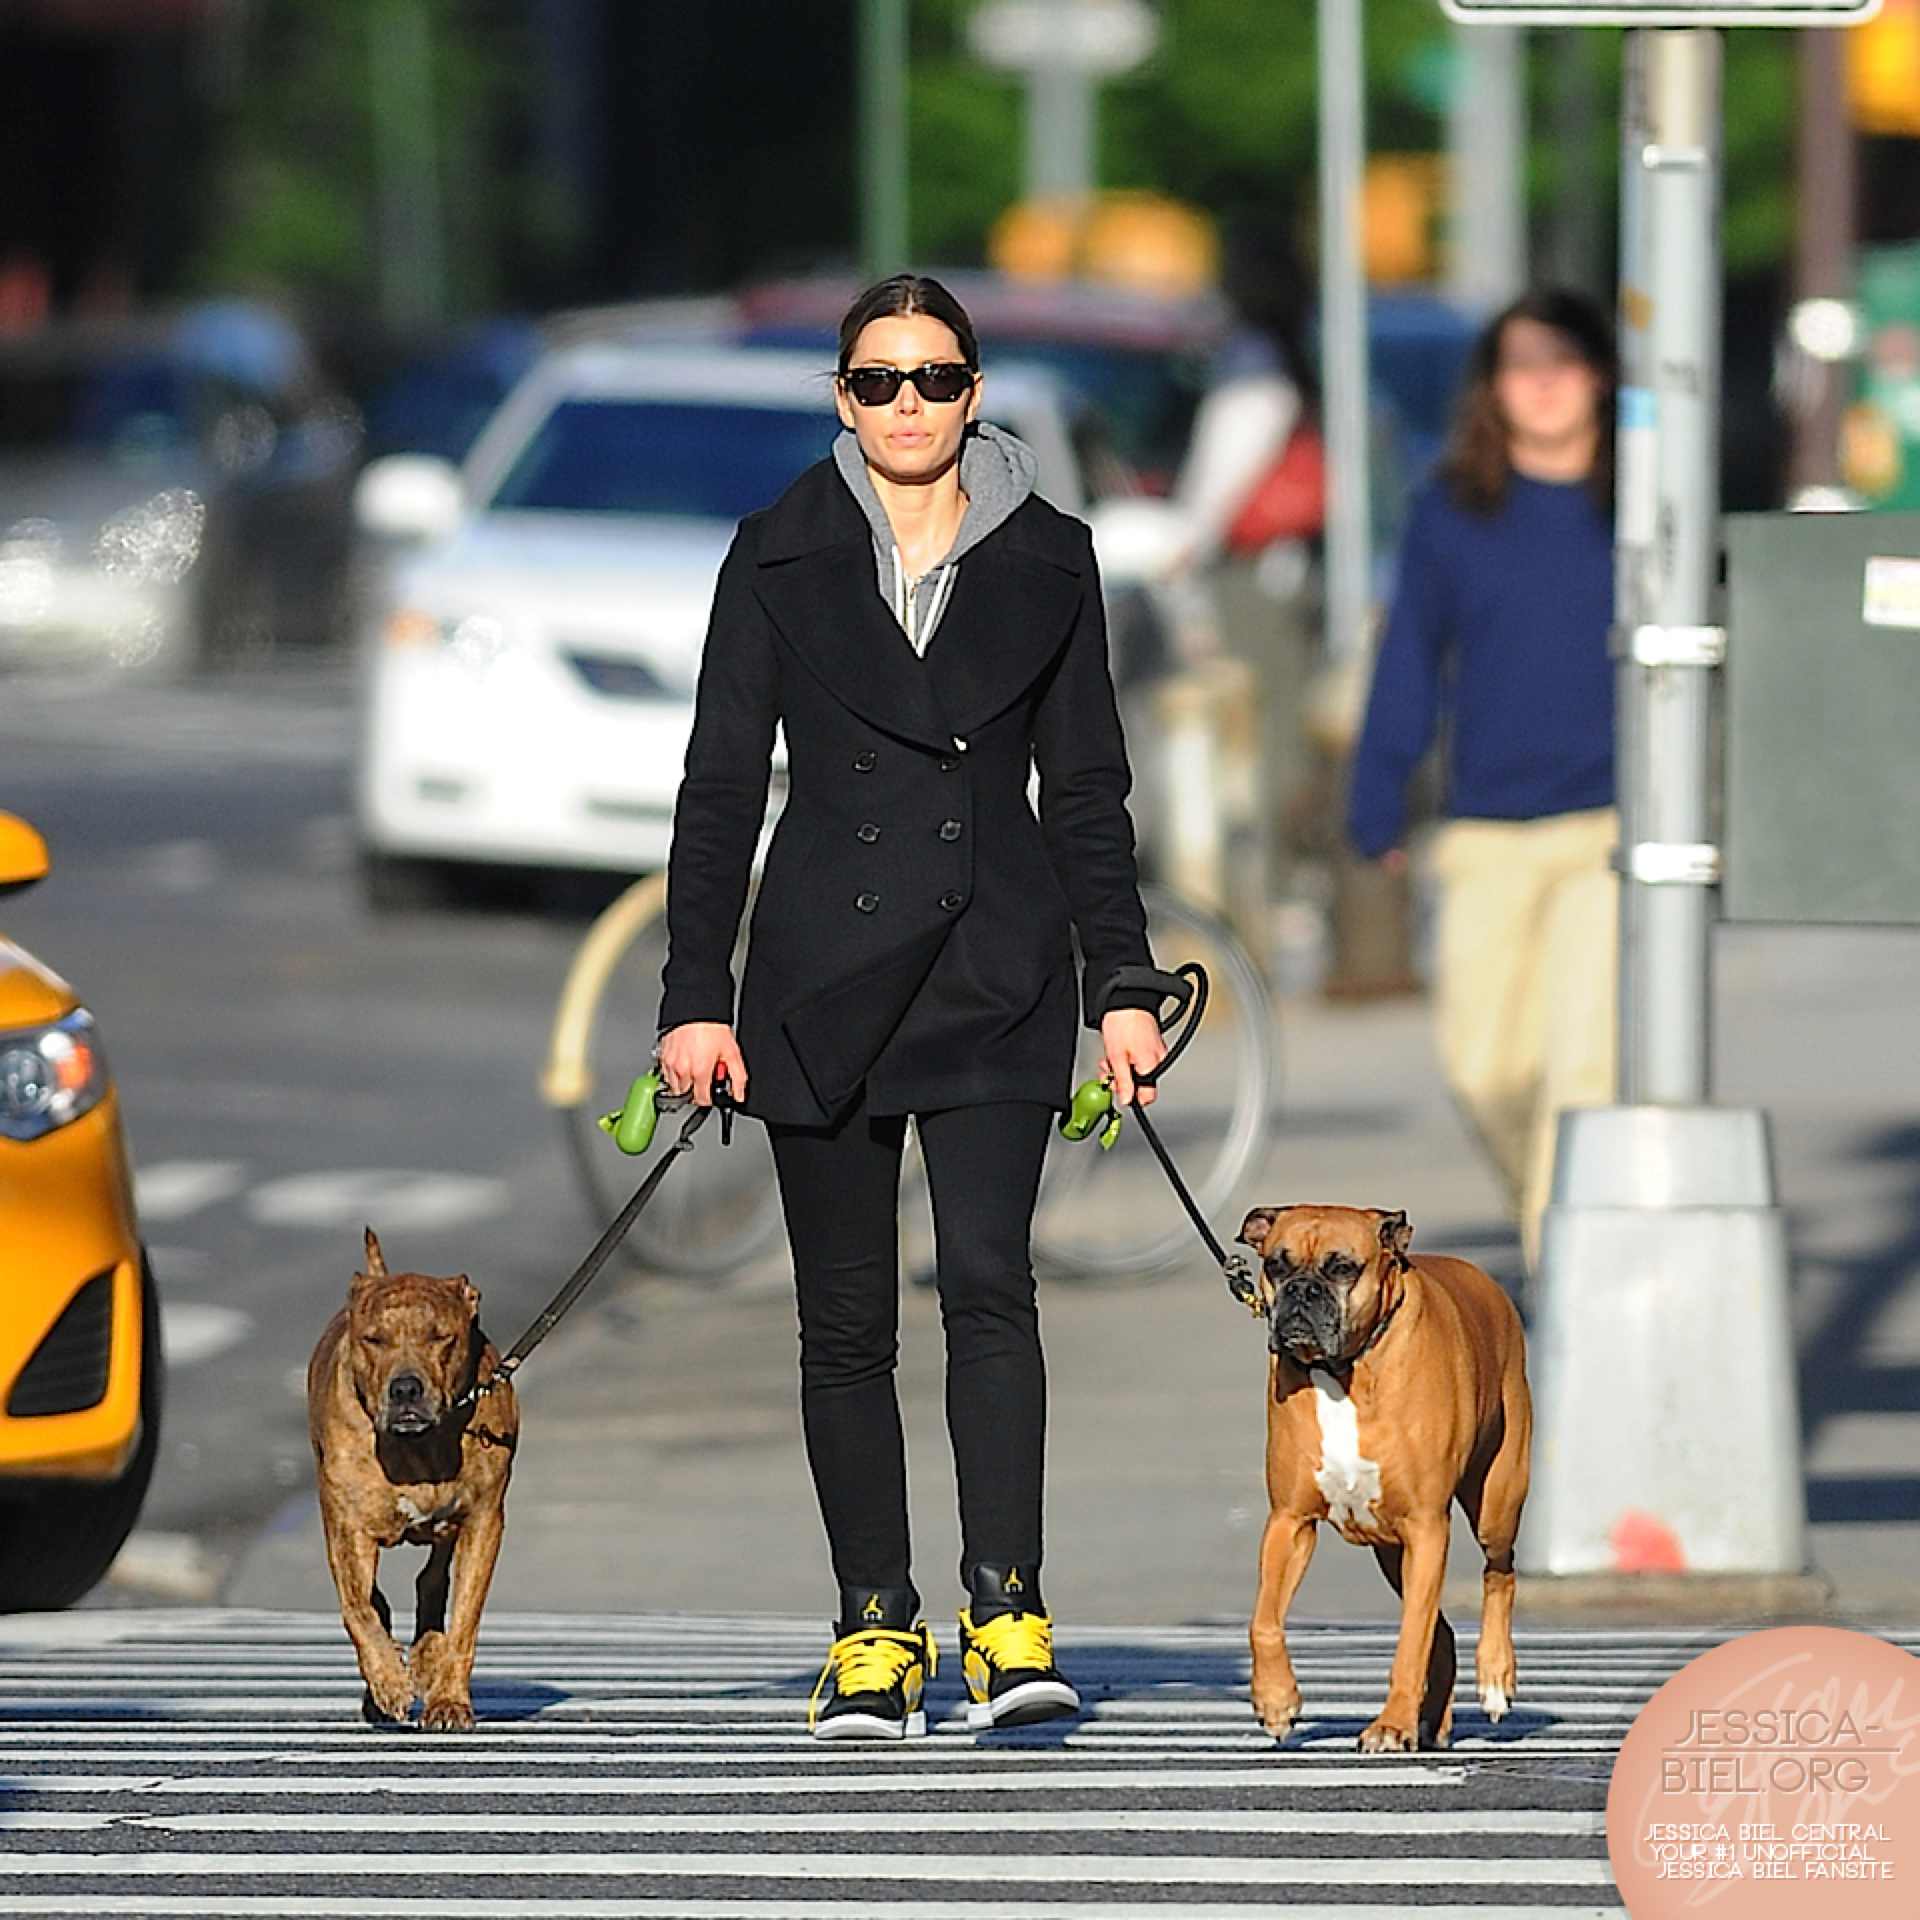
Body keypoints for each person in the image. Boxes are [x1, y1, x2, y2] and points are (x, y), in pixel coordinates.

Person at [655, 274, 1167, 1740]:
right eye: (876, 381)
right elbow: (716, 792)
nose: (906, 407)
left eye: (934, 379)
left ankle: (1006, 1609)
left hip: (998, 966)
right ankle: (873, 1626)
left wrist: (1119, 983)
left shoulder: (1052, 559)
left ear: (976, 391)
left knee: (993, 1291)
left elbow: (1085, 790)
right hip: (820, 976)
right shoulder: (776, 554)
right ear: (839, 397)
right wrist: (698, 997)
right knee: (845, 1323)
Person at [1346, 287, 1619, 1277]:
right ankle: (1570, 1239)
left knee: (1580, 1076)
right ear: (1494, 389)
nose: (1543, 384)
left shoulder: (1643, 506)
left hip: (1612, 829)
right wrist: (1377, 792)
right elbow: (1410, 658)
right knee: (1483, 1068)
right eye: (1520, 365)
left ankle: (1571, 1289)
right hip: (1486, 830)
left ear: (1599, 375)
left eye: (1562, 361)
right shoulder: (1453, 512)